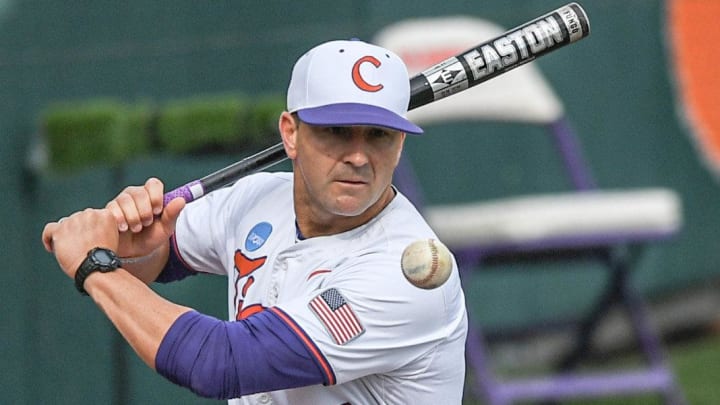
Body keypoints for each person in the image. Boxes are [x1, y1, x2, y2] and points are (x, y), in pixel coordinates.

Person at [42, 39, 468, 404]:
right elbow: (154, 264)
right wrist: (132, 247)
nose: (358, 156)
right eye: (336, 131)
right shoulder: (255, 198)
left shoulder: (404, 275)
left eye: (378, 135)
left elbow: (219, 362)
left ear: (398, 147)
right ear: (291, 133)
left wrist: (95, 265)